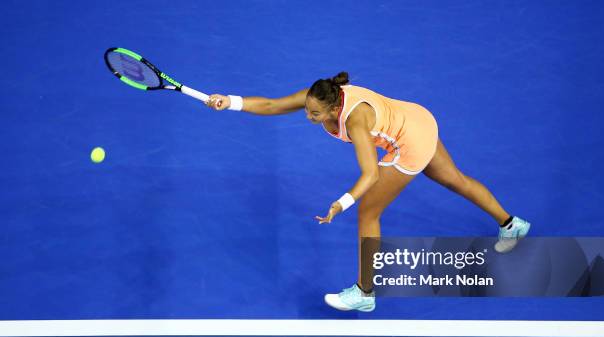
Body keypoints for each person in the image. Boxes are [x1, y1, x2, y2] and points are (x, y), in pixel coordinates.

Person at [205, 72, 530, 312]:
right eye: (307, 110)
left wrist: (341, 203)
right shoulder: (320, 95)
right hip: (417, 119)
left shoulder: (356, 119)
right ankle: (511, 223)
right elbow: (273, 105)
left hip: (409, 141)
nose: (308, 117)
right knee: (454, 179)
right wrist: (230, 102)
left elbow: (371, 172)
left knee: (368, 212)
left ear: (334, 110)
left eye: (315, 114)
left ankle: (364, 291)